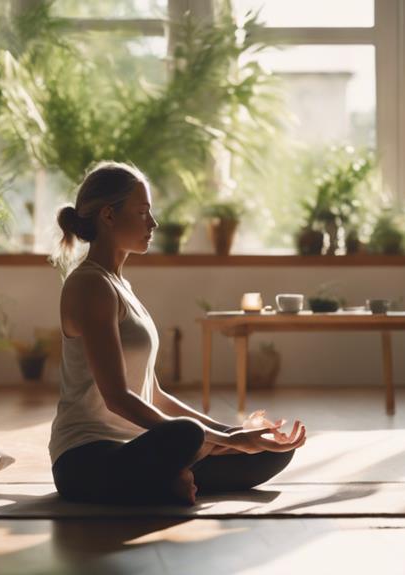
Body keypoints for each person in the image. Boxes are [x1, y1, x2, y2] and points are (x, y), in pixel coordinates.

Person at [48, 161, 306, 506]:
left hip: (144, 449)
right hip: (89, 461)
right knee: (187, 433)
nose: (153, 223)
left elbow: (152, 393)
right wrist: (220, 439)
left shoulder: (120, 285)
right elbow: (118, 397)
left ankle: (169, 479)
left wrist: (232, 433)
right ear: (108, 216)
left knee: (271, 452)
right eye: (143, 213)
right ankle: (166, 479)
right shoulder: (89, 286)